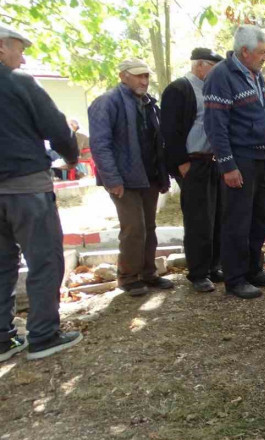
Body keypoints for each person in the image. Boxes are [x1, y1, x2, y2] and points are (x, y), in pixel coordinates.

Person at [0, 24, 83, 361]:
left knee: (2, 264)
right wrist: (72, 156)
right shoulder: (19, 83)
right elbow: (56, 126)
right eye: (19, 48)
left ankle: (3, 341)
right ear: (1, 48)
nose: (23, 57)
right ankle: (44, 335)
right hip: (25, 187)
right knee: (44, 259)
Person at [204, 25, 265, 299]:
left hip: (262, 157)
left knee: (261, 216)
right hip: (239, 158)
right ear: (244, 51)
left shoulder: (257, 76)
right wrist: (228, 165)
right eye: (261, 52)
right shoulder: (221, 76)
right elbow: (215, 125)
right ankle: (235, 278)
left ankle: (253, 269)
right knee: (237, 219)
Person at [89, 59, 173, 297]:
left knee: (149, 227)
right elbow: (100, 145)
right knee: (133, 228)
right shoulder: (107, 102)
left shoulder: (148, 104)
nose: (144, 81)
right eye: (138, 76)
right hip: (123, 180)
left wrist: (162, 176)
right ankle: (127, 276)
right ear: (123, 76)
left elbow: (157, 142)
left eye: (146, 76)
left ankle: (148, 273)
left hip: (149, 177)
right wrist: (112, 179)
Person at [160, 48, 224, 292]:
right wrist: (182, 164)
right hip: (193, 162)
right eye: (213, 67)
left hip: (213, 161)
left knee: (216, 216)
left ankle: (213, 266)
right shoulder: (179, 89)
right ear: (200, 65)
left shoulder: (212, 90)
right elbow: (170, 130)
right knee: (198, 220)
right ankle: (197, 273)